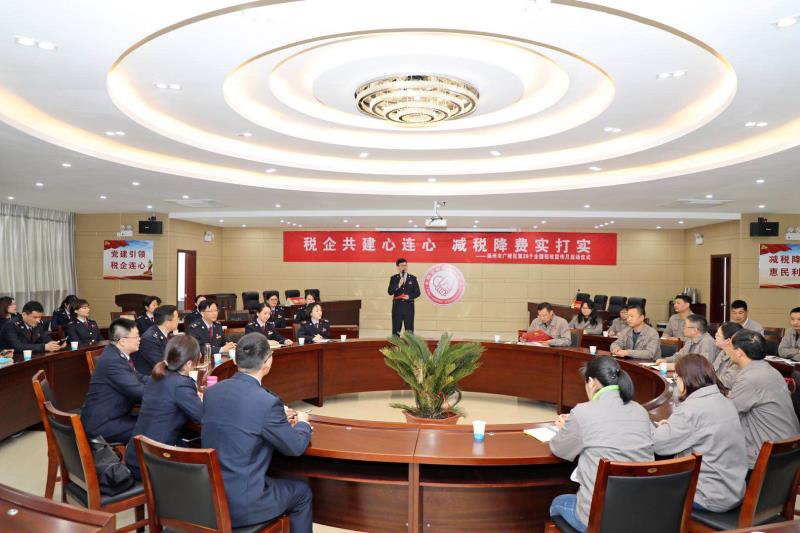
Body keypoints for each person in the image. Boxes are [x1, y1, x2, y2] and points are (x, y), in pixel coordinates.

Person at [202, 333, 313, 531]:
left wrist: (275, 419)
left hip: (208, 496)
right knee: (302, 492)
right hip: (242, 504)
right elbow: (295, 447)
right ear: (268, 361)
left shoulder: (212, 392)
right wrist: (303, 423)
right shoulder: (267, 403)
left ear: (235, 360)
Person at [549, 356, 654, 532]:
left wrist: (565, 428)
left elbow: (558, 449)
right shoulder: (640, 411)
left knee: (557, 503)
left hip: (598, 519)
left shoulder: (583, 412)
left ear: (591, 382)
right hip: (639, 515)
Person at [652, 354, 747, 512]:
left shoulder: (691, 409)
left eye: (676, 378)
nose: (676, 382)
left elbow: (657, 445)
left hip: (706, 495)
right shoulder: (725, 401)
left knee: (642, 487)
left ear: (685, 380)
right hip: (733, 490)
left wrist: (656, 427)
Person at [125, 335, 203, 480]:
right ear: (188, 364)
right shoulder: (181, 384)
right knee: (206, 464)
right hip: (154, 463)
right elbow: (202, 417)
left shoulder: (157, 376)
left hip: (136, 455)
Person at [728, 330, 800, 468]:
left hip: (767, 453)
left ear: (739, 352)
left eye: (730, 346)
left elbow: (727, 414)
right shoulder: (769, 369)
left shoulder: (750, 378)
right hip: (787, 448)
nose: (727, 350)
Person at [80, 318, 147, 442]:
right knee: (155, 426)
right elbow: (139, 391)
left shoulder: (115, 353)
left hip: (116, 415)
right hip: (103, 424)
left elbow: (139, 377)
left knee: (155, 420)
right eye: (136, 336)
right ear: (123, 341)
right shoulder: (114, 361)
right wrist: (167, 390)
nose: (140, 339)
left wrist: (164, 380)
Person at [134, 304, 179, 375]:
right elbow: (161, 365)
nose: (178, 320)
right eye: (177, 318)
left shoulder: (165, 334)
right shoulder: (149, 339)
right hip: (153, 377)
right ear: (167, 323)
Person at [388, 258, 421, 337]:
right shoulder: (394, 278)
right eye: (402, 265)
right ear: (398, 267)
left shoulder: (413, 278)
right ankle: (396, 344)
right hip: (397, 308)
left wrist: (409, 296)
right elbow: (390, 292)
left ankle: (409, 345)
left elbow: (417, 292)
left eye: (405, 265)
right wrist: (398, 285)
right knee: (396, 330)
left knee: (409, 331)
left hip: (409, 307)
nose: (404, 267)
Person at [713, 321, 744, 389]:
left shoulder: (738, 358)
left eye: (718, 335)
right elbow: (713, 371)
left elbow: (726, 383)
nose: (715, 335)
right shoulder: (723, 352)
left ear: (728, 341)